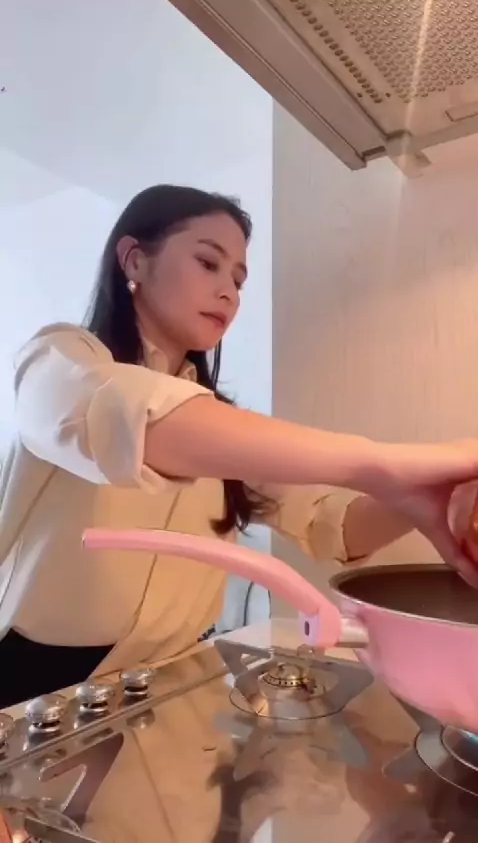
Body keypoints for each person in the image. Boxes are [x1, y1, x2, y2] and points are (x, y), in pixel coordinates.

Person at [0, 184, 477, 708]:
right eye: (208, 263)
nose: (228, 292)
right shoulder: (58, 360)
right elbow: (125, 414)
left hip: (168, 685)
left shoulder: (225, 431)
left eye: (238, 279)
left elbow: (332, 525)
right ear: (134, 259)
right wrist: (382, 464)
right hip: (32, 687)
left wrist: (416, 498)